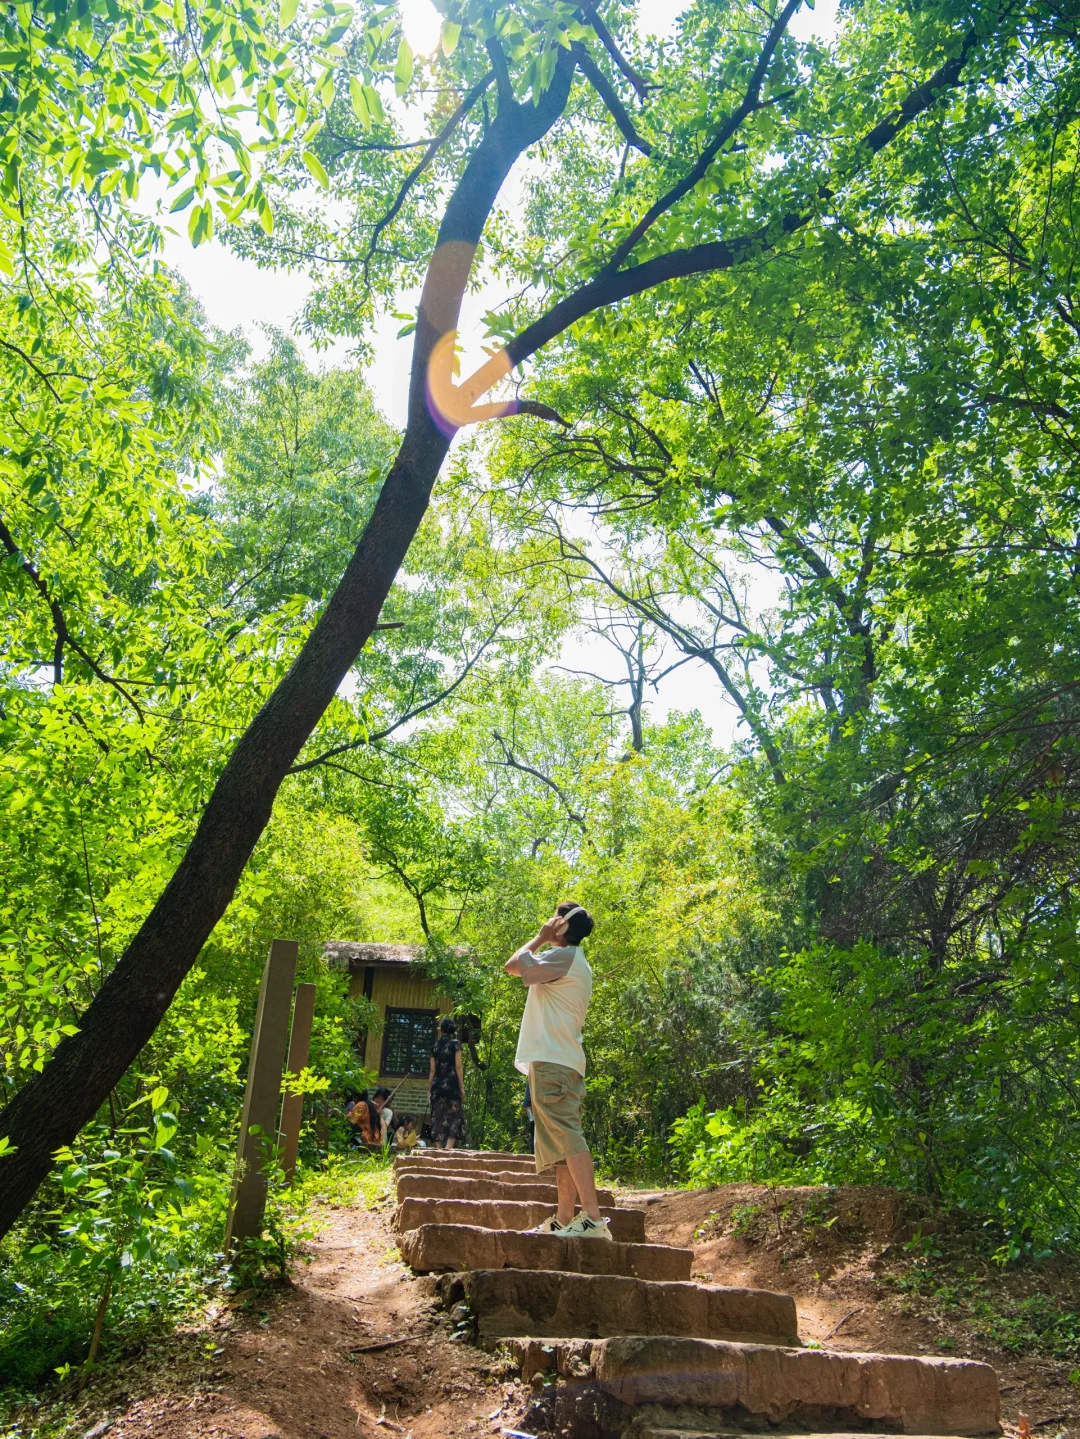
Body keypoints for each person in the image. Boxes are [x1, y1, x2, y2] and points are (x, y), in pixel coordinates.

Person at [505, 900, 610, 1240]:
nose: (549, 922)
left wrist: (539, 937)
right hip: (558, 1060)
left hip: (554, 1061)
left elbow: (512, 966)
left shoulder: (563, 957)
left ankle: (593, 1219)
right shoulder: (573, 961)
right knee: (561, 1143)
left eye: (554, 918)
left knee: (568, 1135)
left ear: (562, 926)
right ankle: (565, 1218)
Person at [428, 1016, 466, 1150]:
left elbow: (432, 1070)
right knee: (454, 1115)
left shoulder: (435, 1045)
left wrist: (429, 1088)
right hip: (452, 1085)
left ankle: (438, 1147)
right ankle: (449, 1147)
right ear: (453, 1029)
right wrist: (462, 1087)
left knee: (437, 1115)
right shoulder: (456, 1044)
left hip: (437, 1086)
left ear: (442, 1030)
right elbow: (458, 1066)